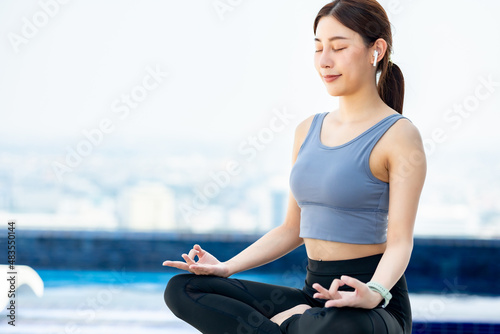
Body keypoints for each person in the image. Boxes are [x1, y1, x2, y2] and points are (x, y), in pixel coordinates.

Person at [163, 0, 426, 333]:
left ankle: (294, 321)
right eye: (318, 49)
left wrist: (374, 292)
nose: (325, 61)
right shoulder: (307, 131)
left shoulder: (399, 135)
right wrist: (227, 267)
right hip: (313, 295)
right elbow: (292, 229)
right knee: (184, 288)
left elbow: (401, 242)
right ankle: (296, 321)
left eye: (339, 47)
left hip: (371, 307)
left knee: (337, 326)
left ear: (376, 49)